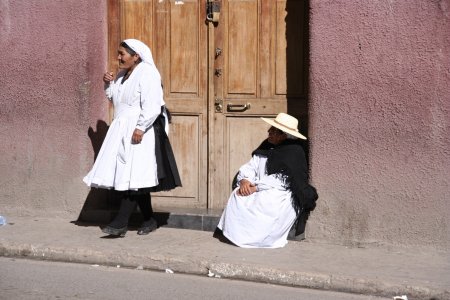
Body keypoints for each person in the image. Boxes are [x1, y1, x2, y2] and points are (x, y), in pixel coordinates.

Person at [83, 39, 181, 237]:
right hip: (122, 128)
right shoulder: (122, 75)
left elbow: (152, 105)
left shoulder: (148, 73)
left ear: (136, 56)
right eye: (118, 53)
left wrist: (140, 128)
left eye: (122, 54)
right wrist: (108, 84)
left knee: (133, 175)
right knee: (133, 175)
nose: (118, 57)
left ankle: (120, 223)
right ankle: (149, 219)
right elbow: (116, 100)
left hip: (140, 130)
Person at [216, 113, 317, 248]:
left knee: (266, 201)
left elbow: (286, 179)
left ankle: (257, 238)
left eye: (274, 131)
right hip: (257, 184)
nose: (269, 132)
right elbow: (252, 165)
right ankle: (237, 235)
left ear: (284, 135)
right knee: (238, 194)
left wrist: (257, 187)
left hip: (280, 191)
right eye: (271, 128)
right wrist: (245, 180)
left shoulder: (294, 151)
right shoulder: (267, 145)